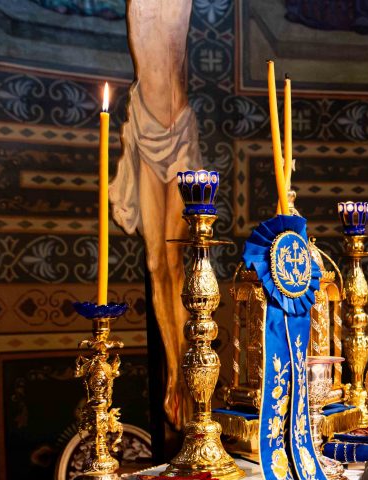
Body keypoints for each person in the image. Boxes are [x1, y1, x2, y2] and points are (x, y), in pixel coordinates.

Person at [109, 0, 201, 430]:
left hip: (178, 130)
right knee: (154, 263)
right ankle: (174, 372)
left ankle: (187, 373)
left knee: (175, 259)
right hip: (145, 127)